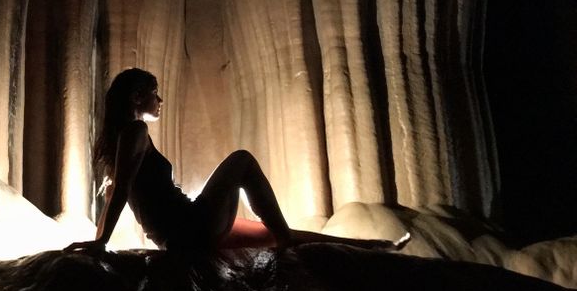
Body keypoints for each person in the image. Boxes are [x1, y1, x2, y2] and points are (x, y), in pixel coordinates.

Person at [66, 68, 407, 255]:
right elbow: (121, 191)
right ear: (137, 97)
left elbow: (114, 194)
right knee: (242, 160)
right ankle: (302, 241)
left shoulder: (121, 141)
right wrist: (101, 243)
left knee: (273, 233)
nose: (160, 99)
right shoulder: (135, 131)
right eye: (154, 93)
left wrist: (99, 239)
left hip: (180, 236)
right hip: (189, 228)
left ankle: (373, 246)